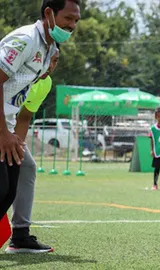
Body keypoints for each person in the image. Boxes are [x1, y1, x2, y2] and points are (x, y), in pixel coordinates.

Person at [0, 0, 80, 233]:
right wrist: (4, 134)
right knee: (2, 187)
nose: (73, 25)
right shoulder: (25, 39)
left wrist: (13, 135)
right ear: (48, 13)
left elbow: (22, 109)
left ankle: (19, 235)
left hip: (7, 124)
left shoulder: (50, 49)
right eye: (68, 18)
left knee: (10, 189)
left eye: (76, 20)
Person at [5, 47, 60, 254]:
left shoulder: (44, 83)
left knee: (26, 165)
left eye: (56, 61)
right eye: (49, 60)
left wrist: (16, 146)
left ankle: (20, 236)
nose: (52, 66)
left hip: (8, 130)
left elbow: (25, 116)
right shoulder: (16, 71)